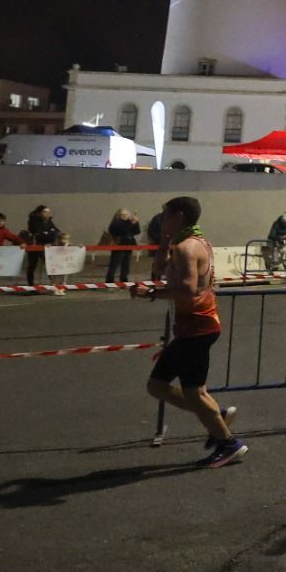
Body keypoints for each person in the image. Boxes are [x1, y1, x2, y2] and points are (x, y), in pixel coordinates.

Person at [132, 196, 246, 467]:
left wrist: (149, 293)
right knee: (195, 391)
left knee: (161, 386)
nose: (162, 219)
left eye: (166, 215)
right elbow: (158, 269)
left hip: (196, 326)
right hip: (198, 325)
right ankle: (216, 419)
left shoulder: (186, 247)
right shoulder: (192, 242)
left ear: (179, 215)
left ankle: (227, 440)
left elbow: (188, 290)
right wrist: (163, 240)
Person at [24, 205, 60, 286]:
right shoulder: (34, 222)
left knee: (50, 265)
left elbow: (57, 231)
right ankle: (31, 286)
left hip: (46, 248)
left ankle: (54, 284)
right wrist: (49, 233)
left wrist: (49, 234)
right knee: (32, 266)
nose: (47, 214)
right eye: (45, 212)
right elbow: (39, 234)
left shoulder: (49, 221)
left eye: (48, 212)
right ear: (39, 213)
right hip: (34, 247)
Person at [106, 209, 140, 283]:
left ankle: (124, 282)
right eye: (123, 215)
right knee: (114, 266)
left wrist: (136, 223)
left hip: (128, 246)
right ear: (119, 215)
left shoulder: (129, 223)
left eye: (127, 214)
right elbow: (123, 231)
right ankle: (109, 283)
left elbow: (137, 231)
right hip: (119, 246)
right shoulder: (116, 223)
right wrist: (132, 223)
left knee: (125, 266)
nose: (125, 216)